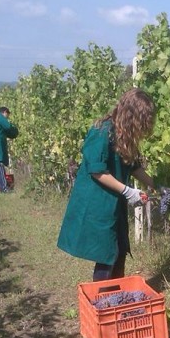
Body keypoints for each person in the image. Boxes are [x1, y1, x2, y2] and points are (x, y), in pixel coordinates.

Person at [57, 88, 158, 281]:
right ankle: (102, 300)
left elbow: (133, 167)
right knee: (107, 254)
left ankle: (115, 298)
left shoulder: (125, 135)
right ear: (132, 116)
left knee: (119, 249)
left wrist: (156, 185)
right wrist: (128, 191)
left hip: (114, 204)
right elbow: (96, 171)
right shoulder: (101, 132)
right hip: (97, 203)